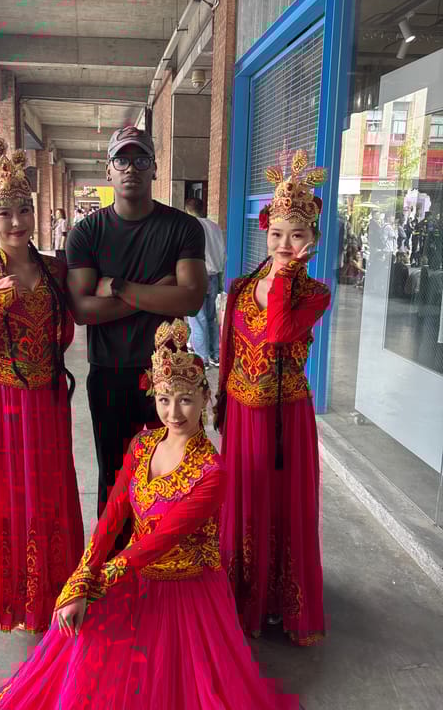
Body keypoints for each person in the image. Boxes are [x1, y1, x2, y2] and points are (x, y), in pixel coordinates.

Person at [0, 320, 299, 710]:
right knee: (80, 639)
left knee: (175, 684)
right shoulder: (143, 444)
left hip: (187, 590)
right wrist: (82, 577)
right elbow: (113, 515)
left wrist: (97, 583)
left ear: (205, 398)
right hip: (135, 573)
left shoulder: (212, 471)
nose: (173, 412)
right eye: (164, 399)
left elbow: (161, 540)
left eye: (186, 400)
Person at [0, 136, 84, 634]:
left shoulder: (54, 269)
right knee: (7, 496)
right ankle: (13, 599)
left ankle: (55, 592)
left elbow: (64, 334)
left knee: (49, 492)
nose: (16, 222)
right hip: (0, 404)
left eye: (24, 209)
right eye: (4, 213)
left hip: (47, 403)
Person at [66, 125, 207, 554]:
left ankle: (166, 559)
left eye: (141, 159)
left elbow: (192, 298)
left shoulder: (182, 228)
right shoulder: (86, 233)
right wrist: (155, 293)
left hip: (169, 377)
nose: (131, 168)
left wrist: (121, 287)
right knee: (114, 474)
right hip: (109, 373)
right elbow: (82, 310)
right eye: (122, 160)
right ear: (108, 170)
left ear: (154, 168)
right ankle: (112, 561)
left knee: (172, 470)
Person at [215, 149, 331, 646]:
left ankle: (281, 603)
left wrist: (284, 278)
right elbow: (228, 348)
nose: (285, 244)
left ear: (313, 239)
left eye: (297, 235)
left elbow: (280, 331)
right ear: (265, 232)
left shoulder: (316, 293)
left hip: (286, 420)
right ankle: (245, 600)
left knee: (281, 506)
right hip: (243, 415)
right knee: (245, 503)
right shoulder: (241, 286)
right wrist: (222, 404)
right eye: (277, 233)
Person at [184, 197, 226, 368]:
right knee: (210, 318)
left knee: (197, 320)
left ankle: (202, 359)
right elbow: (222, 254)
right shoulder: (215, 227)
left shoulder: (189, 226)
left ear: (187, 210)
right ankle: (215, 355)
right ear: (203, 208)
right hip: (214, 276)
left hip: (195, 277)